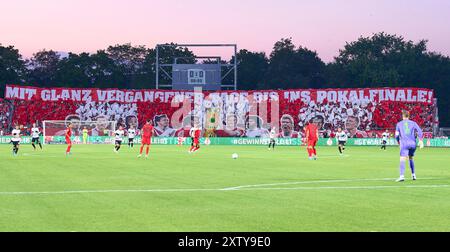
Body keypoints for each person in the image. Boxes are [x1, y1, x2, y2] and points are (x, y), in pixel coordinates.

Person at [395, 110, 424, 182]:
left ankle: (401, 176)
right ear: (408, 116)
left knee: (402, 159)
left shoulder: (399, 124)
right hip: (413, 144)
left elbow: (396, 135)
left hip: (404, 143)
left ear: (403, 116)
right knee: (410, 158)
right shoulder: (413, 123)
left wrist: (398, 142)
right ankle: (413, 175)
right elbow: (420, 131)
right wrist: (420, 140)